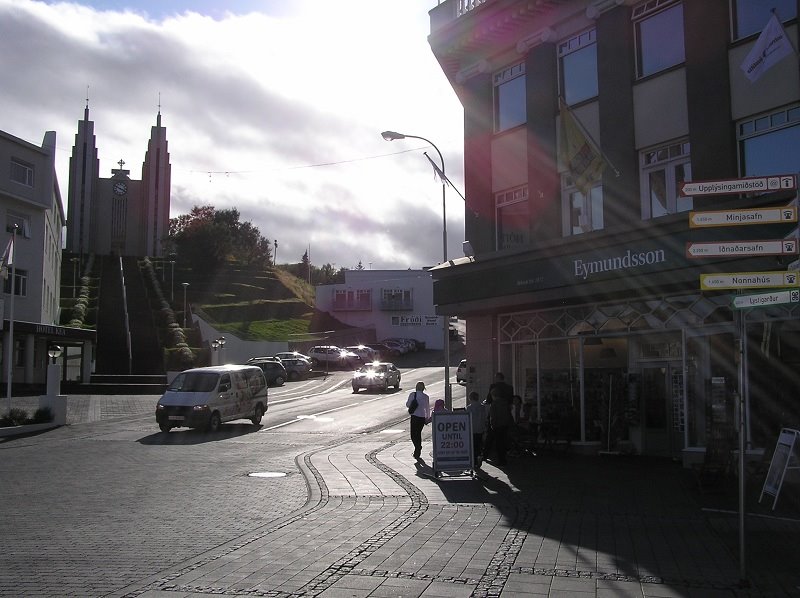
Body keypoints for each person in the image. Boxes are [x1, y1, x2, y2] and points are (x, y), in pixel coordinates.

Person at [488, 387, 514, 466]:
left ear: (493, 395)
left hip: (497, 425)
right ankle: (504, 458)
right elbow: (509, 413)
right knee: (504, 441)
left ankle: (501, 460)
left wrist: (492, 425)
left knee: (498, 443)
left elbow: (493, 416)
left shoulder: (494, 404)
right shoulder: (505, 402)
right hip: (505, 424)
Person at [406, 381, 431, 461]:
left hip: (414, 416)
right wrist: (427, 418)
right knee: (418, 433)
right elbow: (427, 408)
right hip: (422, 417)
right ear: (423, 388)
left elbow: (407, 404)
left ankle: (418, 447)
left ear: (416, 387)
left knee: (413, 435)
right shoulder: (426, 397)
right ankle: (418, 449)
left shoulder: (412, 395)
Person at [466, 391, 486, 468]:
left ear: (470, 398)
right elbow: (483, 418)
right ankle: (479, 456)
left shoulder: (469, 408)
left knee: (473, 445)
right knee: (479, 444)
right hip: (480, 428)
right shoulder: (482, 407)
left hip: (472, 429)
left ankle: (474, 461)